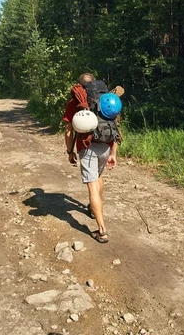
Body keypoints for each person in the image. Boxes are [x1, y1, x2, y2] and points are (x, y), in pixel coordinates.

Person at [63, 73, 118, 243]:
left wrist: (69, 151)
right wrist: (113, 153)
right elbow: (116, 125)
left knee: (92, 186)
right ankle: (94, 209)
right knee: (98, 177)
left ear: (79, 86)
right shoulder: (106, 100)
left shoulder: (75, 103)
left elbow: (68, 130)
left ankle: (102, 231)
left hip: (87, 147)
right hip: (106, 145)